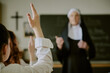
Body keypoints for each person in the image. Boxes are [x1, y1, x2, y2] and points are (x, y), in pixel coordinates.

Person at [0, 3, 53, 73]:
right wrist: (37, 28)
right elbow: (45, 66)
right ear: (5, 49)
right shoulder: (11, 71)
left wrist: (32, 55)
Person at [55, 8, 96, 73]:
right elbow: (60, 56)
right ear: (69, 18)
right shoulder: (64, 34)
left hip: (84, 66)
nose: (74, 17)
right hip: (69, 66)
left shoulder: (85, 33)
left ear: (79, 17)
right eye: (71, 15)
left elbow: (93, 53)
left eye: (76, 15)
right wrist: (59, 47)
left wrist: (87, 47)